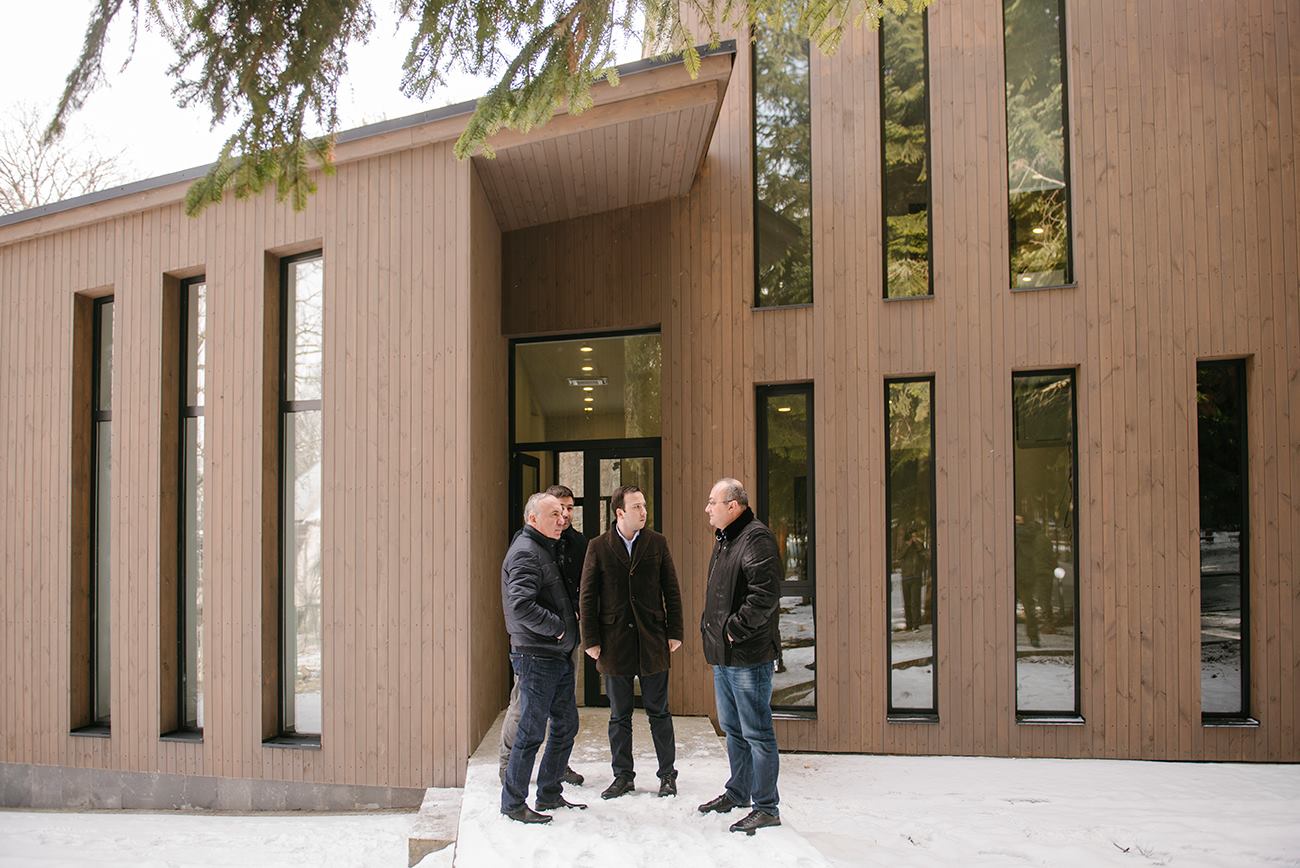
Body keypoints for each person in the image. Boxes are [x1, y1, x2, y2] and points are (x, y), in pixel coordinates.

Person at [579, 485, 684, 799]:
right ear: (620, 512)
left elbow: (671, 590)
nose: (643, 511)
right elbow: (587, 597)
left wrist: (675, 632)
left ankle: (668, 776)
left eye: (644, 505)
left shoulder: (657, 542)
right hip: (614, 643)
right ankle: (623, 776)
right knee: (619, 715)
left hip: (653, 640)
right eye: (636, 506)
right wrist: (590, 640)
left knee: (659, 713)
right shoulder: (598, 546)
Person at [697, 478, 783, 835]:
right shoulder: (726, 538)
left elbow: (765, 594)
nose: (707, 508)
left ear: (733, 506)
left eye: (713, 502)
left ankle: (766, 807)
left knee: (757, 733)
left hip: (747, 655)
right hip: (725, 655)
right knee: (733, 729)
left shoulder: (755, 538)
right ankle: (738, 792)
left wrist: (734, 630)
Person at [499, 492, 585, 824]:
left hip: (554, 654)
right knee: (532, 731)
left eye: (563, 513)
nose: (562, 519)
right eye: (553, 514)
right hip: (537, 655)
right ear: (533, 518)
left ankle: (549, 792)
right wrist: (558, 628)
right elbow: (521, 605)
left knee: (566, 724)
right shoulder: (525, 552)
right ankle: (513, 803)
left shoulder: (543, 548)